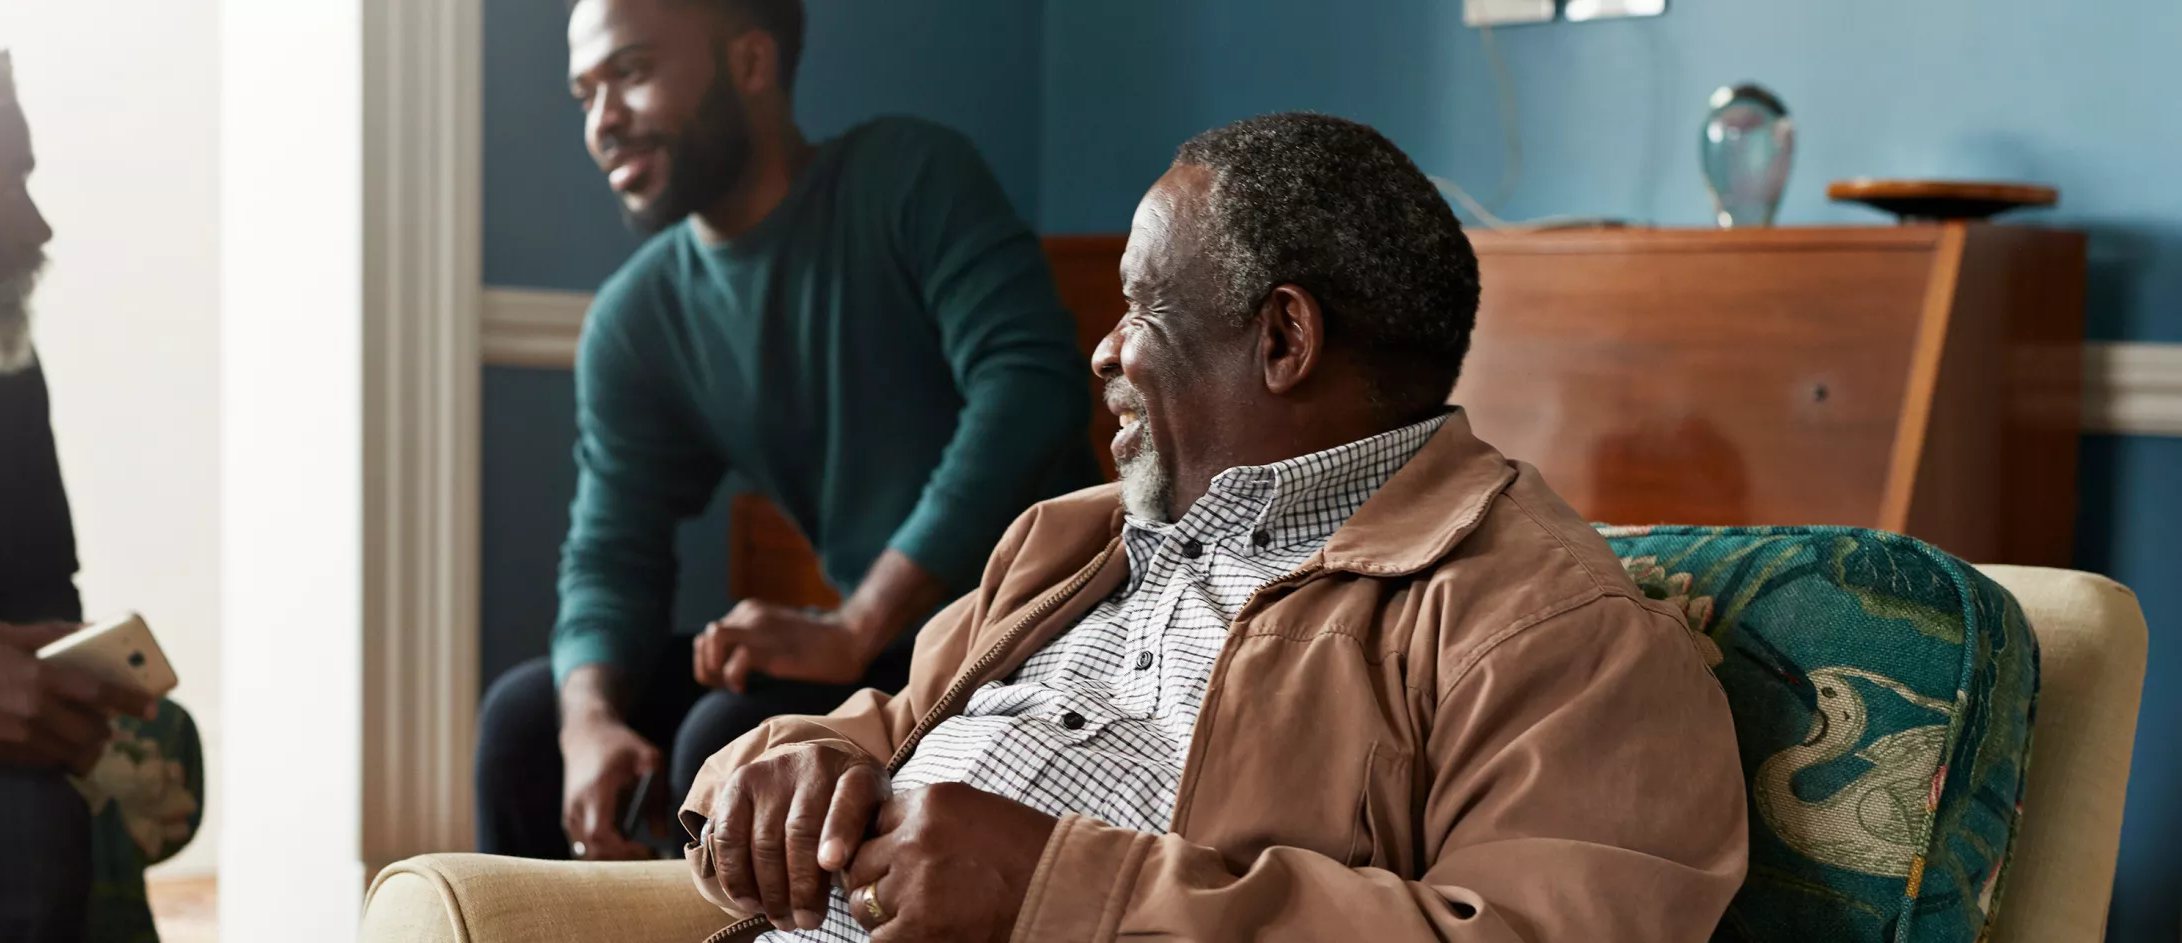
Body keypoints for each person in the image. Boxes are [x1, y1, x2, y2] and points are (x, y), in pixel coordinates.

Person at [678, 113, 1750, 943]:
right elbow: (887, 723)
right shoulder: (1070, 540)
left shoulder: (1552, 631)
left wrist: (1056, 892)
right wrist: (792, 763)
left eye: (1138, 308)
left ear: (1283, 337)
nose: (1101, 353)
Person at [473, 0, 1101, 863]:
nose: (602, 123)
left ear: (753, 63)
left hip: (1024, 638)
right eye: (585, 93)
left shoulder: (912, 176)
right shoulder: (638, 317)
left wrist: (854, 623)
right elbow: (611, 554)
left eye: (631, 72)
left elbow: (1030, 389)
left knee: (735, 740)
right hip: (865, 646)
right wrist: (590, 723)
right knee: (523, 721)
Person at [0, 40, 200, 943]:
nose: (38, 228)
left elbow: (41, 587)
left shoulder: (2, 358)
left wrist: (67, 669)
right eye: (1, 181)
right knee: (21, 816)